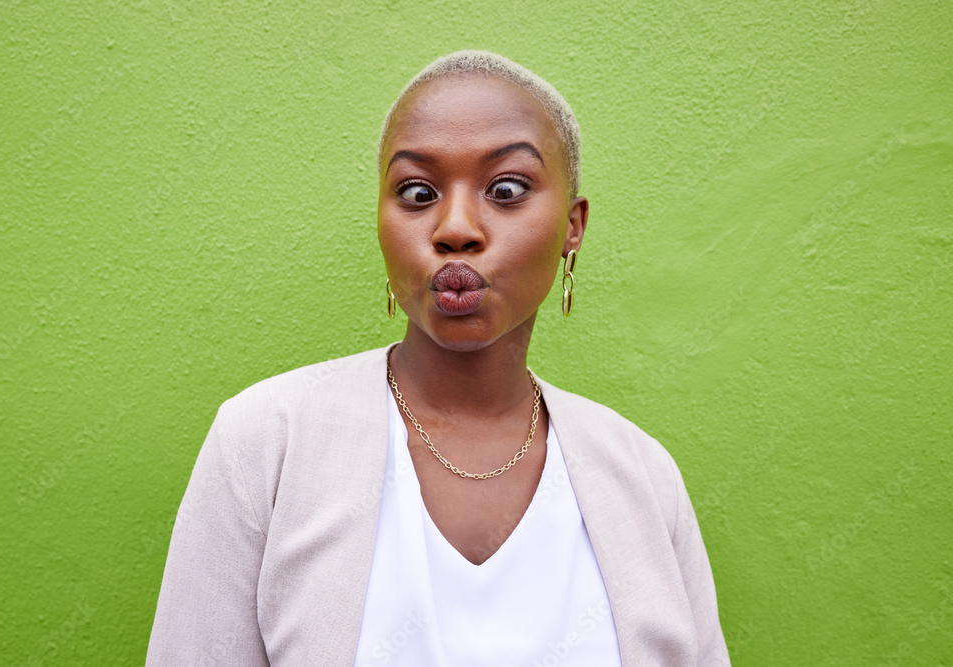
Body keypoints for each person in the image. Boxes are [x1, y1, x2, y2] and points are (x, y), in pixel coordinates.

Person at [147, 50, 729, 666]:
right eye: (417, 192)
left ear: (572, 227)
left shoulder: (642, 476)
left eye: (506, 189)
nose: (455, 227)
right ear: (381, 220)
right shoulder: (266, 442)